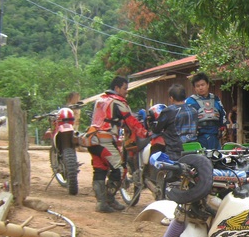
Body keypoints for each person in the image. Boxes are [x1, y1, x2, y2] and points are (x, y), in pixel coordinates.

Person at [83, 76, 147, 213]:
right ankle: (109, 199)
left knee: (99, 169)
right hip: (105, 140)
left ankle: (101, 203)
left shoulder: (101, 100)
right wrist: (146, 133)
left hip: (92, 139)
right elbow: (131, 121)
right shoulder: (118, 102)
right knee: (120, 169)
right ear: (117, 88)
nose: (126, 92)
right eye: (125, 89)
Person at [149, 84, 198, 161]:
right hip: (193, 148)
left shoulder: (169, 111)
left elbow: (157, 129)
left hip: (175, 151)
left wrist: (151, 121)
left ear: (171, 98)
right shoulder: (194, 110)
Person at [185, 72, 226, 150]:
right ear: (194, 88)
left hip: (214, 137)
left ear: (208, 85)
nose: (200, 88)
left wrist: (223, 128)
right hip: (199, 138)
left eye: (202, 85)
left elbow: (222, 115)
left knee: (217, 156)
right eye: (197, 86)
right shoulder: (190, 101)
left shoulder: (216, 99)